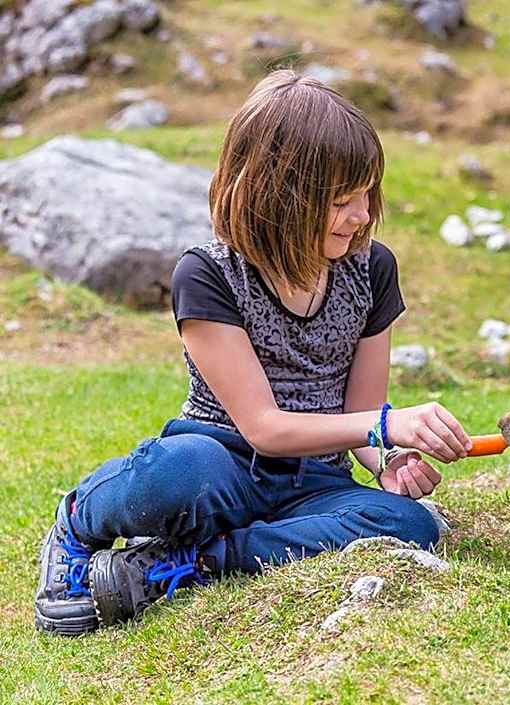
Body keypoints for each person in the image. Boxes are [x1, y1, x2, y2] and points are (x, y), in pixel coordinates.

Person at [35, 69, 472, 636]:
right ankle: (77, 521)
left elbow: (362, 413)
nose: (362, 216)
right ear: (280, 197)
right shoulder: (207, 275)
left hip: (312, 481)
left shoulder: (372, 269)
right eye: (342, 201)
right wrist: (386, 427)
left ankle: (187, 562)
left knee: (408, 523)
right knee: (177, 475)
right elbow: (263, 427)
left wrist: (387, 458)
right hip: (221, 464)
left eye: (366, 194)